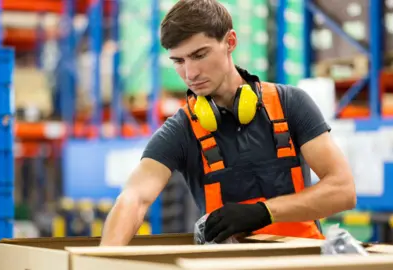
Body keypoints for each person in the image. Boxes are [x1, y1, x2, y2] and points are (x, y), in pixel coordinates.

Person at [100, 0, 356, 246]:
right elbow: (134, 199)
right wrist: (101, 261)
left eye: (199, 55)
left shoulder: (290, 104)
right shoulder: (181, 129)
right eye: (178, 61)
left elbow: (343, 190)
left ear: (230, 42)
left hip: (302, 263)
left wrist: (263, 212)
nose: (190, 74)